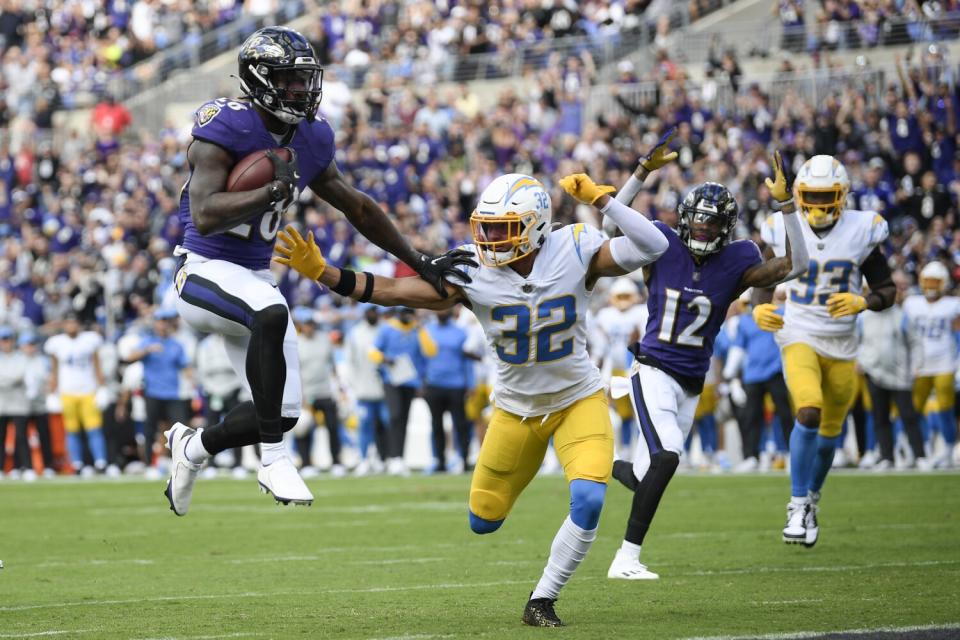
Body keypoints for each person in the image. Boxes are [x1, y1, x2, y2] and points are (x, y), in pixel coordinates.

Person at [274, 134, 675, 626]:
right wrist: (326, 274)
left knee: (589, 498)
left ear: (535, 227)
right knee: (483, 520)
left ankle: (541, 600)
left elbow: (654, 245)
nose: (491, 241)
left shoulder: (575, 248)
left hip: (577, 400)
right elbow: (401, 290)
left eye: (504, 229)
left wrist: (602, 197)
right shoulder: (471, 269)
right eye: (486, 228)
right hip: (513, 411)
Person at [164, 26, 472, 514]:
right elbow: (203, 213)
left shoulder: (311, 136)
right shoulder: (226, 125)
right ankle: (273, 460)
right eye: (289, 80)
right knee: (271, 310)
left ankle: (193, 448)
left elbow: (359, 208)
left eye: (305, 79)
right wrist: (270, 192)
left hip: (252, 277)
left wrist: (420, 261)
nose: (301, 90)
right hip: (202, 270)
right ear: (260, 79)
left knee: (282, 412)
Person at [605, 150, 807, 580]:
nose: (703, 227)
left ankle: (596, 464)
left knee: (647, 480)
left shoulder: (737, 261)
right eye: (697, 219)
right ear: (683, 218)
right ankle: (626, 559)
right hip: (653, 369)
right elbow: (609, 225)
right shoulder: (660, 242)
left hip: (692, 383)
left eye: (712, 222)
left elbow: (796, 265)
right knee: (668, 457)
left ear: (725, 228)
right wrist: (640, 173)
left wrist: (787, 207)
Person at [754, 154, 896, 547]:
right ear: (798, 196)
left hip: (843, 341)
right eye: (810, 196)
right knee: (809, 411)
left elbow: (887, 289)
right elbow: (763, 276)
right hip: (798, 332)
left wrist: (864, 302)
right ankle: (797, 504)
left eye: (825, 195)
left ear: (842, 195)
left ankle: (812, 499)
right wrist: (759, 307)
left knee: (832, 431)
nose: (817, 205)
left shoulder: (861, 230)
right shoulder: (786, 226)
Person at [858, 271, 927, 470]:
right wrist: (861, 361)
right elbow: (857, 342)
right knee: (880, 416)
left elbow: (915, 343)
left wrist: (916, 365)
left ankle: (919, 455)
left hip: (900, 373)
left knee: (908, 415)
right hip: (873, 371)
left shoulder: (901, 316)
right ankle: (887, 456)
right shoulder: (864, 318)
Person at [723, 296, 794, 471]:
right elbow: (738, 348)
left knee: (785, 415)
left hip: (775, 371)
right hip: (752, 374)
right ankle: (751, 456)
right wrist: (730, 374)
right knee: (751, 417)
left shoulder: (779, 313)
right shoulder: (744, 322)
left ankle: (793, 454)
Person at [903, 261, 960, 469]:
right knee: (914, 408)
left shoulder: (954, 304)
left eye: (935, 281)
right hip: (919, 364)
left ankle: (947, 449)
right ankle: (918, 448)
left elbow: (958, 334)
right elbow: (905, 334)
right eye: (927, 281)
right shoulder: (912, 303)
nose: (931, 286)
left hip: (946, 362)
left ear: (944, 283)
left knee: (946, 407)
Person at [370, 307, 435, 476]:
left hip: (410, 382)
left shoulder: (416, 330)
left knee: (404, 419)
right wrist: (385, 359)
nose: (407, 316)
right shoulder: (388, 328)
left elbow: (430, 351)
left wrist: (421, 329)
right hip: (391, 380)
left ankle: (399, 458)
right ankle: (392, 456)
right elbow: (372, 352)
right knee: (394, 416)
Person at [126, 309, 193, 470]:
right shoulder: (147, 341)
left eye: (166, 322)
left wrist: (193, 382)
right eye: (160, 321)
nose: (163, 325)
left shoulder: (176, 345)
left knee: (180, 430)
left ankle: (183, 462)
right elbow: (130, 357)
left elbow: (186, 367)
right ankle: (149, 465)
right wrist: (147, 350)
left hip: (173, 393)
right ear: (155, 323)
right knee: (150, 429)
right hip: (153, 392)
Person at [44, 312, 109, 475]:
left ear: (79, 324)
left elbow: (97, 364)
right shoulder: (56, 343)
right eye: (68, 323)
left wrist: (102, 387)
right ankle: (77, 463)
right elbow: (54, 369)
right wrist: (52, 391)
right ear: (64, 325)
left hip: (88, 390)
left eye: (74, 323)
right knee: (71, 430)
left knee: (94, 428)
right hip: (67, 391)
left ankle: (100, 462)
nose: (71, 326)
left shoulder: (90, 340)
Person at [594, 277, 648, 459]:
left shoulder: (641, 312)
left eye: (627, 295)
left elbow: (641, 341)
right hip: (614, 369)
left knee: (641, 412)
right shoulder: (605, 315)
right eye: (620, 295)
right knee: (623, 413)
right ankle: (625, 448)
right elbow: (602, 346)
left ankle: (642, 449)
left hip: (637, 368)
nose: (624, 299)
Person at [292, 307, 345, 476]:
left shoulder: (324, 340)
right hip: (306, 394)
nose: (309, 327)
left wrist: (339, 388)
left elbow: (333, 366)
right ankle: (306, 463)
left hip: (326, 391)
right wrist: (299, 396)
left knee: (333, 427)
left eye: (311, 324)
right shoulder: (295, 343)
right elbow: (294, 372)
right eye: (306, 324)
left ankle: (336, 461)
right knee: (304, 429)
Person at [423, 308, 472, 473]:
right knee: (436, 425)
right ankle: (439, 461)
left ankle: (463, 459)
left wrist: (470, 384)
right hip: (433, 384)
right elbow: (421, 358)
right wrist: (421, 382)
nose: (441, 311)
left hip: (456, 385)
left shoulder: (460, 332)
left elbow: (467, 361)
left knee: (460, 425)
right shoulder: (427, 330)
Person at [344, 305, 389, 475]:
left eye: (375, 311)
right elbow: (350, 361)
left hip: (384, 388)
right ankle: (363, 459)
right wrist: (354, 385)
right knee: (365, 424)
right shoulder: (355, 333)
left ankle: (381, 458)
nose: (373, 314)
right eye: (370, 311)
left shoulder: (384, 331)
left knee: (385, 424)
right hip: (363, 389)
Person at [0, 327, 31, 479]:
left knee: (21, 436)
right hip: (1, 403)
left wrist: (5, 380)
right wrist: (9, 380)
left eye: (7, 339)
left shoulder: (21, 357)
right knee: (1, 436)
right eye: (3, 340)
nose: (5, 343)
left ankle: (24, 467)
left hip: (18, 403)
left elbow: (20, 375)